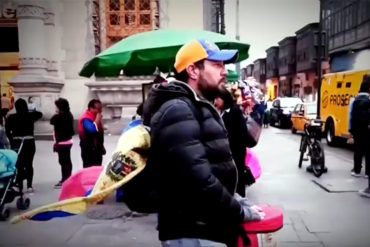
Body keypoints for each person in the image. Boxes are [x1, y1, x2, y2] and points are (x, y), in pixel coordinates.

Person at [142, 39, 264, 247]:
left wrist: (234, 197)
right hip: (194, 230)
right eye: (217, 65)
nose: (224, 72)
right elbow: (198, 181)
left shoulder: (194, 106)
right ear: (193, 71)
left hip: (206, 228)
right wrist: (238, 211)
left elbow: (209, 169)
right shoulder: (179, 109)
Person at [214, 89, 255, 197]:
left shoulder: (234, 111)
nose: (215, 101)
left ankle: (240, 200)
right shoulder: (219, 111)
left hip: (236, 151)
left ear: (224, 99)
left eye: (217, 99)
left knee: (238, 177)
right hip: (225, 152)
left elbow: (242, 132)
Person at [5, 98, 42, 193]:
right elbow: (40, 114)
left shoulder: (11, 117)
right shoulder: (31, 116)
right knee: (29, 164)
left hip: (17, 142)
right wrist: (29, 110)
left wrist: (11, 140)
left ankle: (19, 185)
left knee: (19, 165)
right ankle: (29, 186)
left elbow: (7, 132)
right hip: (29, 142)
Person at [349, 75, 370, 197]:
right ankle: (368, 172)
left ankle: (357, 170)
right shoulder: (369, 100)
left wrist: (351, 129)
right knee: (368, 152)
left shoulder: (355, 100)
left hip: (357, 130)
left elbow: (351, 116)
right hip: (367, 130)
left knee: (358, 150)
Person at [50, 98, 74, 188]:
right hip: (67, 141)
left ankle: (66, 179)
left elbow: (51, 121)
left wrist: (57, 112)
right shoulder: (69, 115)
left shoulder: (60, 116)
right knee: (66, 160)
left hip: (63, 142)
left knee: (63, 161)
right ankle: (67, 178)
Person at [78, 99, 105, 168]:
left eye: (101, 108)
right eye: (98, 109)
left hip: (97, 150)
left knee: (97, 169)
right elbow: (92, 129)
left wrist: (101, 146)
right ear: (91, 108)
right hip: (88, 150)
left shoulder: (94, 117)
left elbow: (99, 134)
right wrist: (98, 118)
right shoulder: (86, 118)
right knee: (88, 169)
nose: (100, 111)